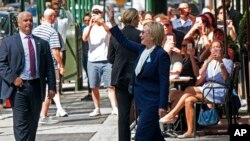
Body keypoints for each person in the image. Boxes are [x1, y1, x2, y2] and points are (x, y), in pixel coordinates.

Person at [101, 8, 170, 141]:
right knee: (155, 136)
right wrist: (112, 22)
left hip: (152, 103)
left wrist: (162, 105)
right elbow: (124, 41)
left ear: (153, 36)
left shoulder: (161, 55)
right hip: (141, 102)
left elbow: (164, 82)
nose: (140, 35)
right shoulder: (142, 49)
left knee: (141, 137)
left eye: (144, 33)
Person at [159, 40, 233, 139]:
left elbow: (226, 78)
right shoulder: (209, 62)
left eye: (217, 47)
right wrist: (207, 62)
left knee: (189, 89)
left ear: (222, 49)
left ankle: (173, 114)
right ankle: (190, 131)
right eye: (213, 47)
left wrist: (220, 62)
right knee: (188, 99)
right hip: (207, 90)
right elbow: (198, 74)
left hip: (218, 91)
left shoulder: (228, 62)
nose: (215, 49)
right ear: (210, 50)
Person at [0, 11, 56, 141]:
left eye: (30, 20)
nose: (29, 23)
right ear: (18, 23)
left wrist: (52, 86)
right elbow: (1, 64)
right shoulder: (8, 43)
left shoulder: (42, 43)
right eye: (25, 21)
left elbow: (49, 67)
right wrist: (13, 78)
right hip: (19, 89)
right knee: (21, 124)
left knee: (32, 123)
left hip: (36, 87)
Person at [107, 8, 141, 141]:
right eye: (137, 18)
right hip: (138, 76)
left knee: (123, 113)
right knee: (141, 110)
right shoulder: (140, 35)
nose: (139, 21)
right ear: (133, 20)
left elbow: (110, 57)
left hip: (120, 76)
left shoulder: (116, 35)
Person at [82, 5, 118, 116]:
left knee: (110, 86)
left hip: (106, 60)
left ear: (102, 14)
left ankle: (114, 107)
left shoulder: (105, 25)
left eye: (98, 13)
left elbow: (111, 32)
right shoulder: (89, 27)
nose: (96, 15)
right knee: (94, 86)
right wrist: (91, 25)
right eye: (94, 13)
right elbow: (84, 38)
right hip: (93, 60)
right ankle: (97, 108)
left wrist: (101, 22)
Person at [33, 9, 67, 123]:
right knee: (51, 89)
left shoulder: (35, 30)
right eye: (55, 16)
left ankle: (38, 114)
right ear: (52, 17)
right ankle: (43, 115)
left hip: (37, 65)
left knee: (40, 89)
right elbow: (55, 51)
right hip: (50, 66)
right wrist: (61, 65)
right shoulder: (52, 32)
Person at [81, 12, 92, 101]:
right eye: (85, 20)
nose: (87, 22)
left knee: (90, 74)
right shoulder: (83, 29)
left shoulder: (94, 29)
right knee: (88, 74)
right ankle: (90, 92)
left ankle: (91, 93)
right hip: (84, 54)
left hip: (91, 54)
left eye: (89, 20)